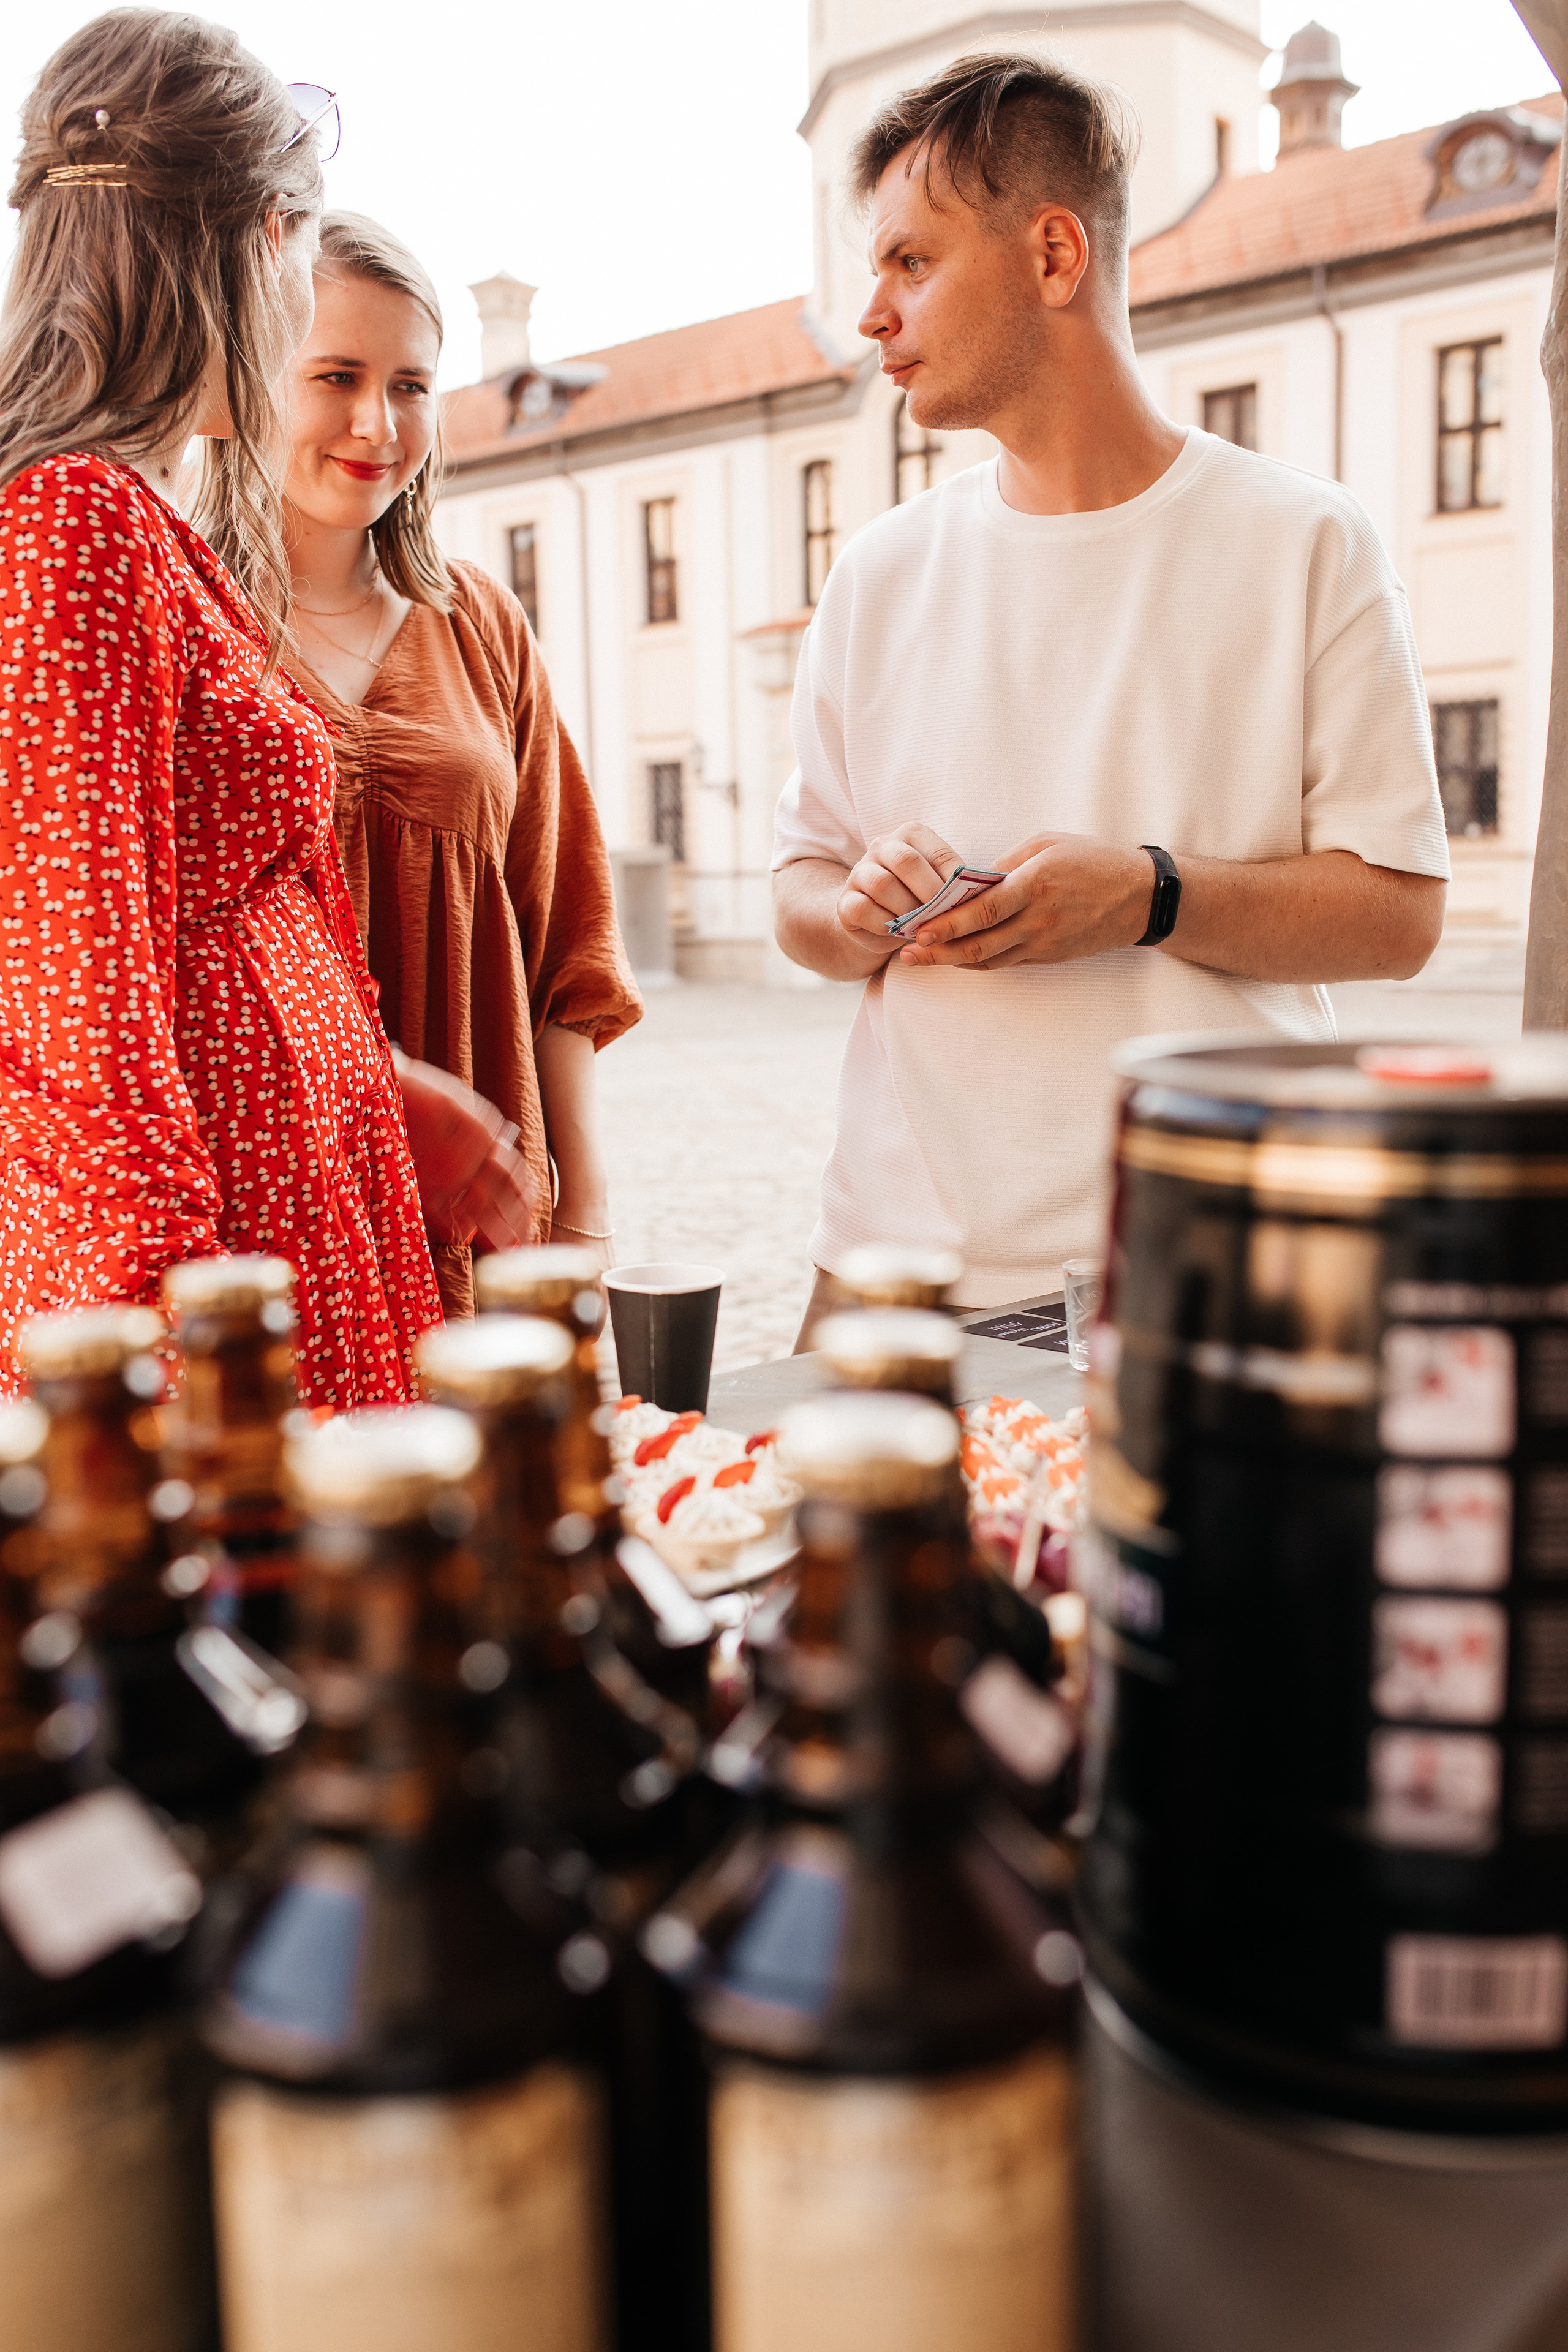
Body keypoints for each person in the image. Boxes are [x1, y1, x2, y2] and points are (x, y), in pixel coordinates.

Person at [772, 52, 1449, 1332]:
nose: (871, 314)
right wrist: (852, 914)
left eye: (909, 264)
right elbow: (798, 894)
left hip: (1202, 1275)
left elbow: (1396, 917)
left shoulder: (1301, 540)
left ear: (1050, 256)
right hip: (895, 1278)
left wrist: (1148, 895)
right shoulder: (875, 574)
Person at [0, 13, 443, 1403]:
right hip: (216, 1292)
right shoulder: (76, 519)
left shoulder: (128, 512)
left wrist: (382, 1089)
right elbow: (79, 1018)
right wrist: (200, 1369)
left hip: (268, 1238)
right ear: (260, 237)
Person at [275, 212, 640, 1317]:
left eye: (413, 385)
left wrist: (579, 1196)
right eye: (336, 374)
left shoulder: (479, 621)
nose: (375, 422)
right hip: (285, 1196)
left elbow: (567, 930)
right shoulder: (188, 618)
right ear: (254, 375)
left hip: (492, 1196)